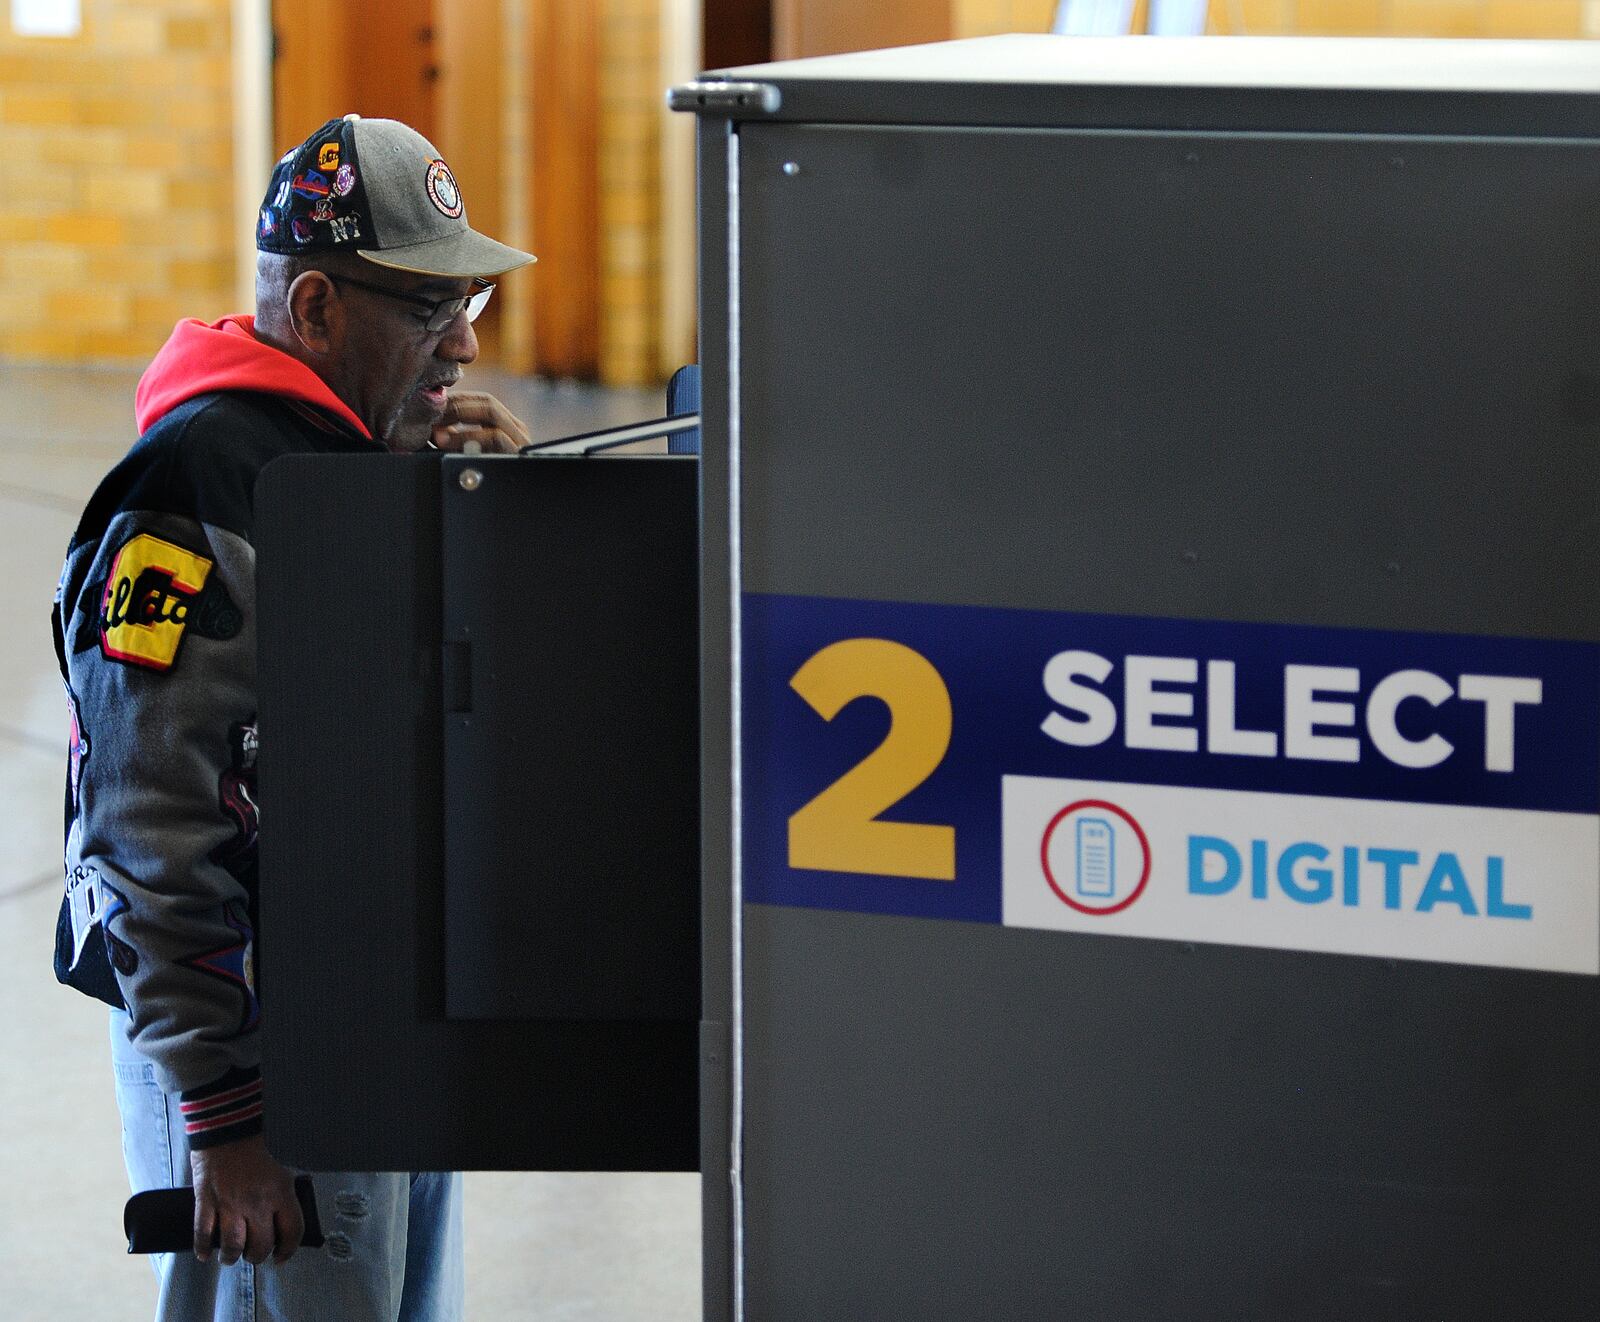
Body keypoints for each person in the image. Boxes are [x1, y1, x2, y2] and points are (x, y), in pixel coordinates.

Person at [52, 114, 535, 1321]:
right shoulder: (198, 491)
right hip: (254, 1051)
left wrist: (496, 520)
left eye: (470, 301)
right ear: (314, 309)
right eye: (429, 310)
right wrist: (224, 1115)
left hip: (372, 1003)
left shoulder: (360, 456)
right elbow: (145, 821)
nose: (465, 343)